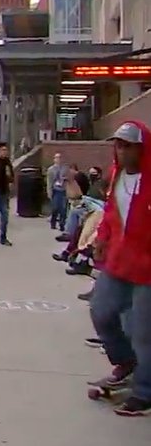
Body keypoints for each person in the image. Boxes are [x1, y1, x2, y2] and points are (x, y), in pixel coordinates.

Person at [88, 121, 151, 416]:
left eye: (127, 146)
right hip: (119, 260)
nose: (121, 151)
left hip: (147, 268)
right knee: (101, 310)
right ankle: (126, 361)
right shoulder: (117, 176)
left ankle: (144, 392)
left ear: (142, 148)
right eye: (118, 145)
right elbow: (112, 213)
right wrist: (102, 239)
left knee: (143, 331)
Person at [46, 152, 70, 232]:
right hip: (55, 190)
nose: (58, 159)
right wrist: (49, 192)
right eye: (56, 158)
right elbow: (49, 182)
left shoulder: (65, 168)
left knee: (63, 209)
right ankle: (53, 222)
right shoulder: (51, 170)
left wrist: (65, 179)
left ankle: (62, 224)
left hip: (63, 190)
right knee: (55, 208)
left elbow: (69, 179)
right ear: (54, 159)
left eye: (59, 158)